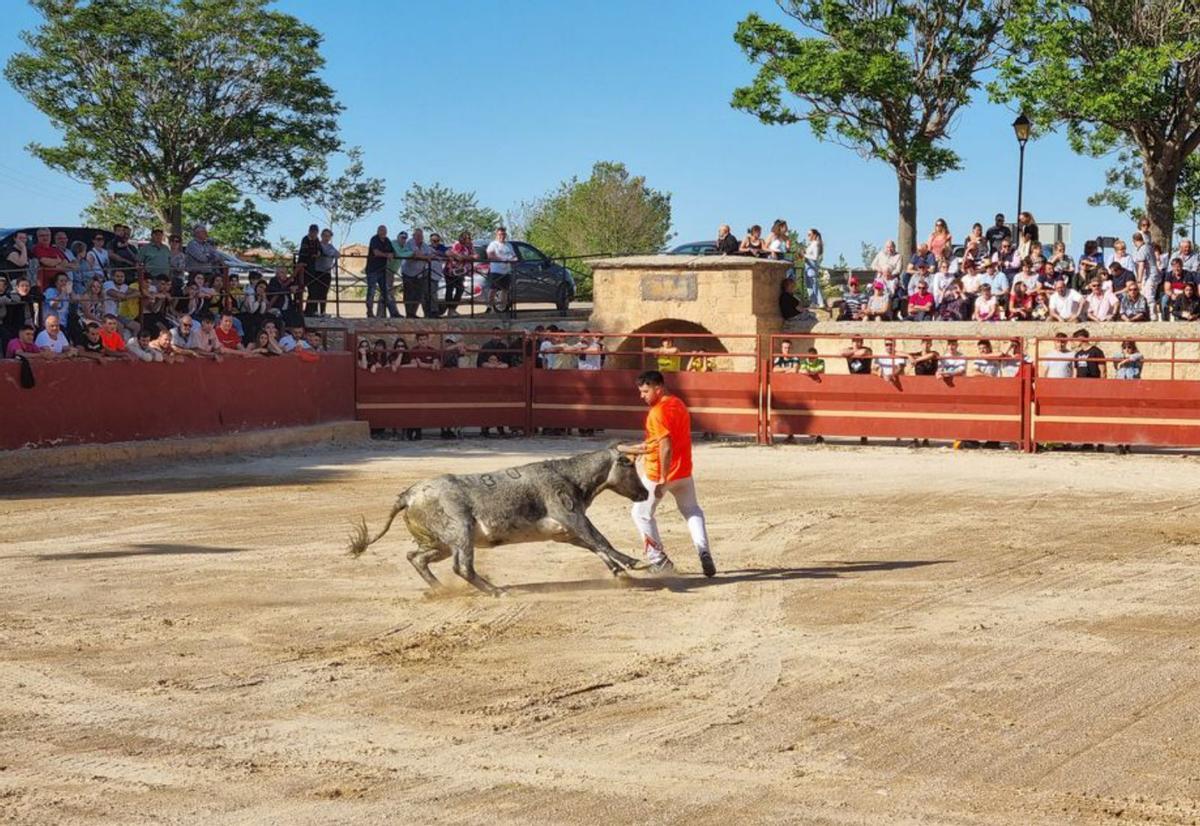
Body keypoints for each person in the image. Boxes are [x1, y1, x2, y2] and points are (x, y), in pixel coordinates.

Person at [621, 371, 715, 577]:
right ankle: (703, 550)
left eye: (645, 391)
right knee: (692, 510)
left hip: (659, 473)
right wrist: (641, 448)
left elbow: (665, 446)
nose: (642, 396)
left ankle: (658, 560)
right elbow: (662, 440)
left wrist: (663, 477)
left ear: (658, 388)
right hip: (683, 471)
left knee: (641, 514)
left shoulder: (657, 413)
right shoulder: (678, 404)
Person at [365, 225, 397, 318]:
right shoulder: (374, 239)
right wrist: (387, 255)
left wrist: (390, 254)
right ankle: (369, 312)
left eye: (385, 231)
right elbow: (376, 252)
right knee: (371, 291)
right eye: (381, 230)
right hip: (373, 269)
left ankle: (393, 312)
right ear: (378, 231)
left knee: (386, 291)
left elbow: (393, 252)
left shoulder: (387, 240)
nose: (383, 232)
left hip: (382, 270)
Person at [402, 228, 434, 318]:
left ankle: (413, 313)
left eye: (421, 236)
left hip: (419, 273)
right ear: (414, 236)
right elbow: (416, 254)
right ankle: (408, 313)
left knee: (418, 294)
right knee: (409, 294)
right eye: (417, 235)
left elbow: (430, 255)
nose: (419, 237)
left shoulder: (424, 245)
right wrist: (425, 257)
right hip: (408, 272)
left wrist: (424, 256)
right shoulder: (410, 243)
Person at [485, 226, 517, 313]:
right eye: (500, 234)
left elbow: (514, 256)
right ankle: (489, 307)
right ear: (497, 235)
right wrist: (502, 259)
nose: (502, 236)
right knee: (493, 289)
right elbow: (490, 255)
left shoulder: (509, 245)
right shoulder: (493, 244)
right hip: (496, 270)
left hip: (506, 271)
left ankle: (502, 307)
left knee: (505, 290)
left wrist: (514, 259)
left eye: (503, 234)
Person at [308, 227, 337, 317]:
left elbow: (337, 254)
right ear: (321, 236)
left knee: (324, 292)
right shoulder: (318, 244)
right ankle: (315, 311)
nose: (326, 238)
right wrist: (330, 253)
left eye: (328, 236)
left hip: (327, 272)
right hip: (317, 271)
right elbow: (324, 252)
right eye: (324, 235)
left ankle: (323, 311)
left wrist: (330, 253)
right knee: (316, 292)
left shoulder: (331, 246)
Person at [446, 231, 473, 316]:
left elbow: (476, 255)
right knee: (450, 289)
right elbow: (458, 257)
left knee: (460, 289)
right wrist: (469, 257)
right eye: (466, 238)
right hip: (451, 270)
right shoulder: (457, 245)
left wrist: (469, 257)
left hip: (461, 271)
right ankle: (450, 309)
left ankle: (453, 309)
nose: (468, 240)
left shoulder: (469, 247)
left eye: (469, 238)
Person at [803, 228, 825, 309]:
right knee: (809, 286)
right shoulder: (811, 244)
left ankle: (820, 302)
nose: (808, 236)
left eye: (809, 234)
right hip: (808, 267)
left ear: (814, 235)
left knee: (814, 285)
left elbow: (815, 257)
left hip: (811, 267)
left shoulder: (815, 244)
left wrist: (804, 255)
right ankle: (813, 302)